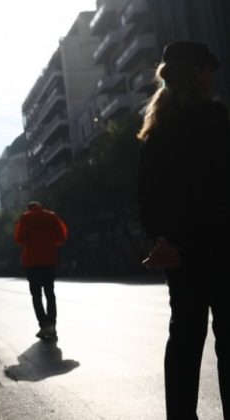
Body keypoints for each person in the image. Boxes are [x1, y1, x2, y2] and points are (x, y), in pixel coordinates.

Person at [136, 41, 229, 419]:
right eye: (208, 69)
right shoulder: (215, 117)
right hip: (222, 245)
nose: (212, 76)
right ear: (196, 72)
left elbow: (146, 192)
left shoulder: (156, 128)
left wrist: (160, 236)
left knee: (185, 340)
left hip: (179, 250)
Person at [14, 201, 67, 340]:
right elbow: (62, 236)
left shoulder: (25, 218)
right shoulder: (51, 216)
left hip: (32, 262)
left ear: (29, 209)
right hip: (50, 260)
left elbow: (19, 239)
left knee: (36, 296)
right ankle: (52, 325)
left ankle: (44, 324)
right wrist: (49, 242)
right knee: (50, 293)